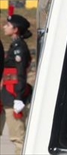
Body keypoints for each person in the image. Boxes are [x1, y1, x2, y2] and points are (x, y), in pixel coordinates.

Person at [1, 14, 33, 152]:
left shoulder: (19, 47)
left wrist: (18, 98)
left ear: (15, 29)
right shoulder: (14, 45)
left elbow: (21, 74)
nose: (4, 27)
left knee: (18, 138)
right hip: (7, 94)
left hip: (13, 94)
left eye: (8, 25)